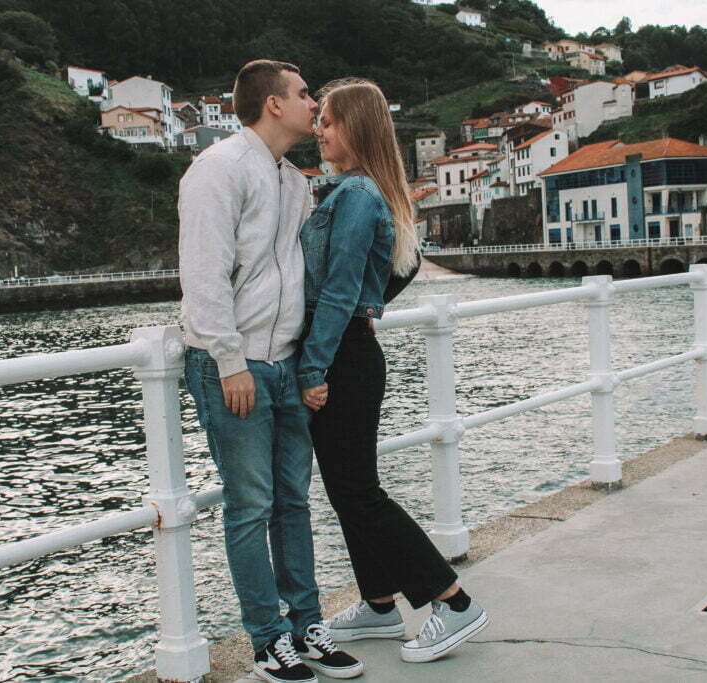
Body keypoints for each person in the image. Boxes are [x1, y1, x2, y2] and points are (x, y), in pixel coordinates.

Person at [179, 60, 363, 683]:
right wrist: (231, 362)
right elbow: (203, 275)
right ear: (273, 104)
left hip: (284, 364)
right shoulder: (219, 169)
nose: (315, 102)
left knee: (293, 502)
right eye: (305, 93)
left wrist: (306, 358)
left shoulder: (293, 180)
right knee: (251, 506)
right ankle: (267, 640)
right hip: (234, 367)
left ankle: (306, 624)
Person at [298, 79, 488, 664]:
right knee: (347, 490)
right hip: (349, 350)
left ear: (355, 126)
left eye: (327, 120)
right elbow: (390, 271)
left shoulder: (357, 196)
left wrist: (315, 363)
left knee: (358, 492)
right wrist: (368, 306)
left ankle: (452, 603)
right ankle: (380, 604)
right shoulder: (367, 192)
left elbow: (334, 292)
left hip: (339, 358)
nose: (318, 128)